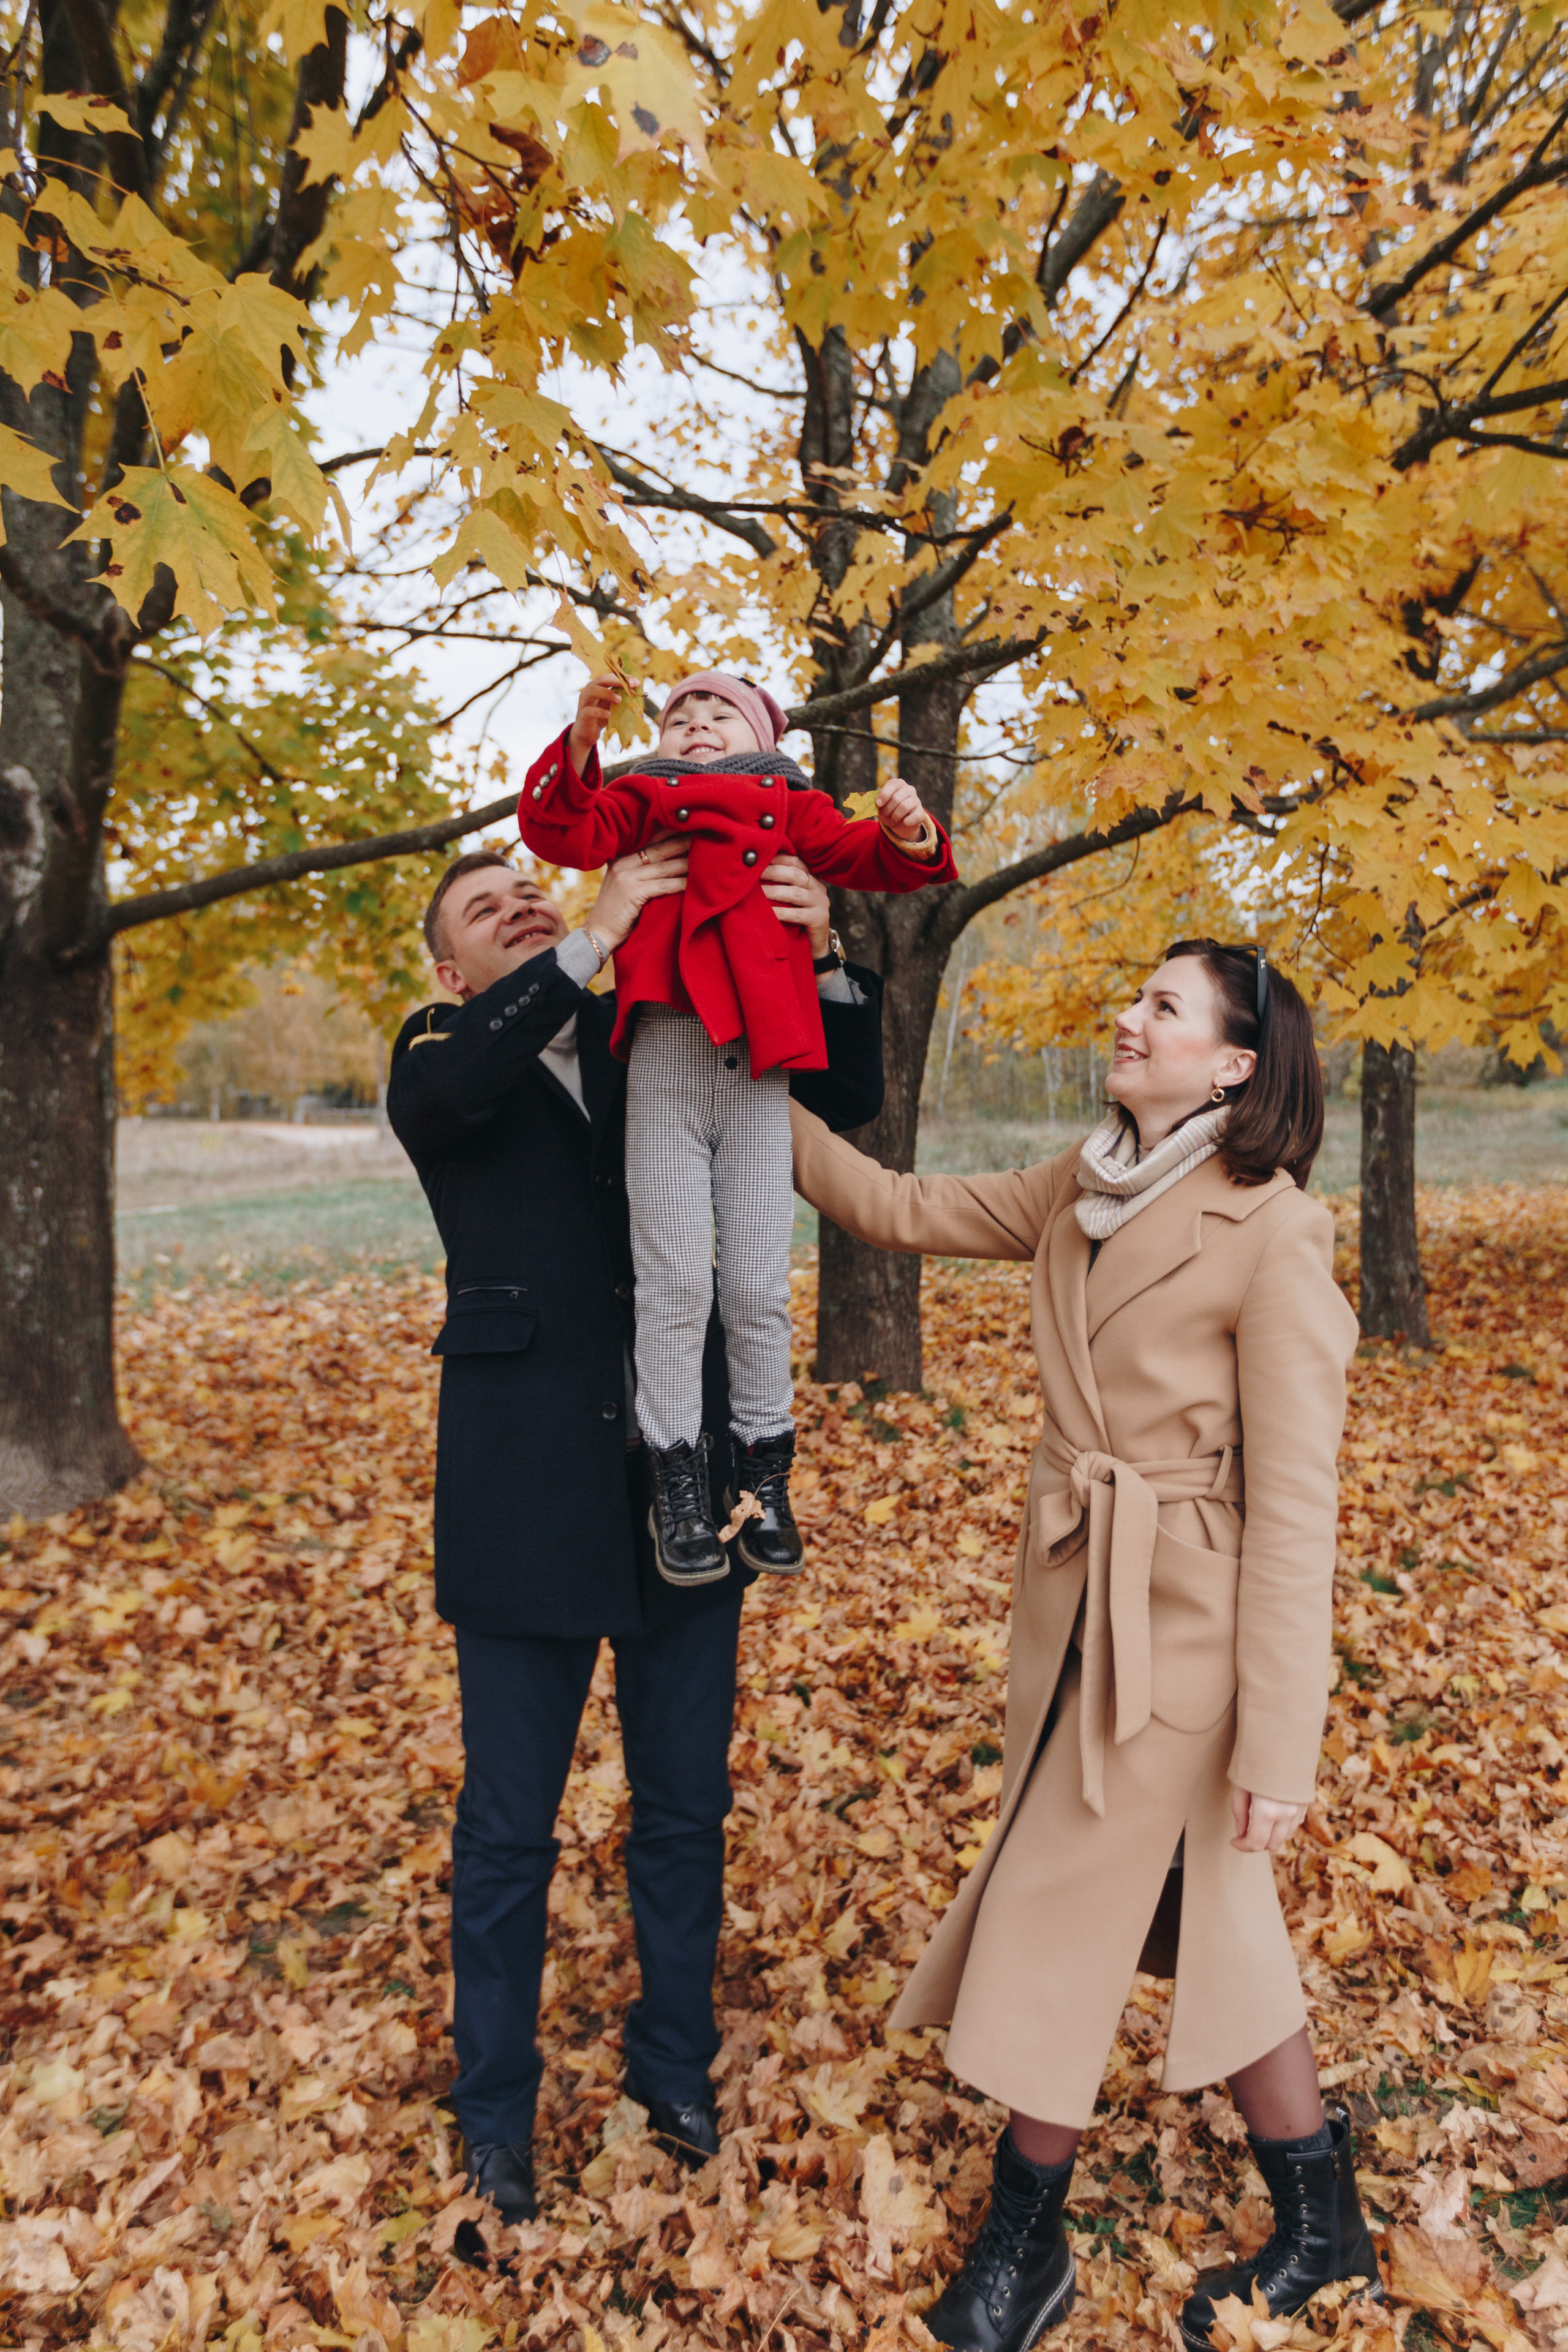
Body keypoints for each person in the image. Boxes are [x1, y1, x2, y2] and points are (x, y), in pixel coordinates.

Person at [788, 941, 1380, 2352]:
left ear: (1232, 1064)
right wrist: (747, 1106)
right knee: (1222, 1934)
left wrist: (1278, 1745)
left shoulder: (1274, 1231)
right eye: (1140, 996)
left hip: (1179, 1638)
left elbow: (1298, 1509)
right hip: (1071, 1604)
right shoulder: (1083, 1182)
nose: (1130, 1014)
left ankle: (1023, 2246)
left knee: (1054, 1914)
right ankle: (1324, 2223)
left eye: (1163, 1007)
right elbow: (895, 1205)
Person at [386, 838, 884, 2225]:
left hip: (681, 1485)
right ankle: (492, 2105)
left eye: (527, 893)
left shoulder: (650, 1035)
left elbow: (841, 1092)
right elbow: (474, 1076)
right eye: (490, 912)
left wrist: (828, 951)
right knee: (506, 1832)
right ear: (453, 966)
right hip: (519, 1496)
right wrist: (587, 936)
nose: (522, 907)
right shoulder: (437, 1056)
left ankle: (671, 2068)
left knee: (682, 1810)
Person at [516, 669, 956, 1588]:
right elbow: (563, 830)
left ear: (761, 736)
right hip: (668, 1052)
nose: (698, 722)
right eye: (680, 714)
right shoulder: (639, 799)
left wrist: (907, 827)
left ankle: (765, 1474)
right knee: (674, 1282)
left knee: (757, 1285)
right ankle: (676, 1477)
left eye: (720, 711)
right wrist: (583, 747)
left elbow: (864, 857)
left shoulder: (787, 800)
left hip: (762, 1061)